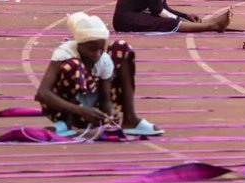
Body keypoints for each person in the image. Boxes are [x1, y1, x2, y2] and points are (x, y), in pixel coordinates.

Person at [35, 12, 163, 138]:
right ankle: (67, 123)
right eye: (91, 49)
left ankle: (130, 119)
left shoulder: (104, 60)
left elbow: (105, 99)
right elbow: (42, 93)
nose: (97, 54)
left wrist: (110, 112)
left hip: (91, 111)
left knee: (121, 47)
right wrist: (81, 111)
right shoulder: (65, 53)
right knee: (73, 65)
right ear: (79, 45)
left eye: (101, 49)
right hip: (65, 110)